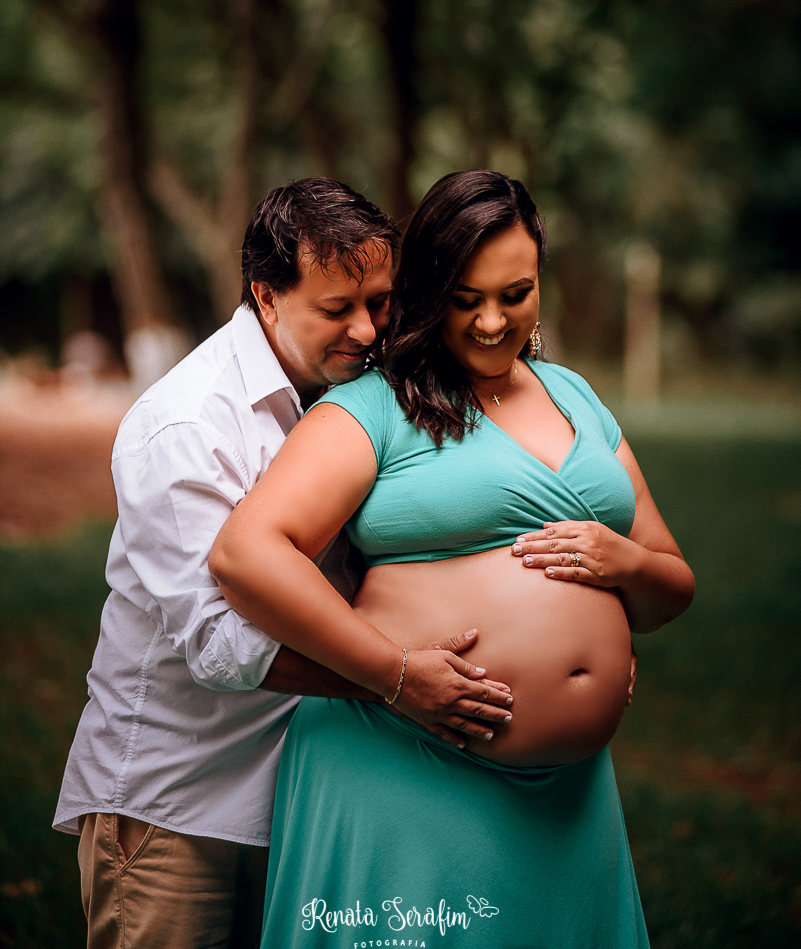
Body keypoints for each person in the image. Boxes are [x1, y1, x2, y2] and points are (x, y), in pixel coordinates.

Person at [210, 170, 695, 949]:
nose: (494, 322)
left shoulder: (576, 397)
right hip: (406, 769)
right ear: (428, 291)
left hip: (567, 796)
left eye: (517, 293)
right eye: (466, 299)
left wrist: (622, 563)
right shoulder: (374, 406)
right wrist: (393, 674)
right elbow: (246, 554)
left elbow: (671, 585)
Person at [54, 177, 512, 949]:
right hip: (180, 806)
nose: (368, 331)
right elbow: (217, 646)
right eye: (337, 309)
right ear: (266, 297)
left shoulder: (365, 391)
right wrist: (396, 681)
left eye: (379, 301)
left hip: (317, 795)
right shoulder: (183, 426)